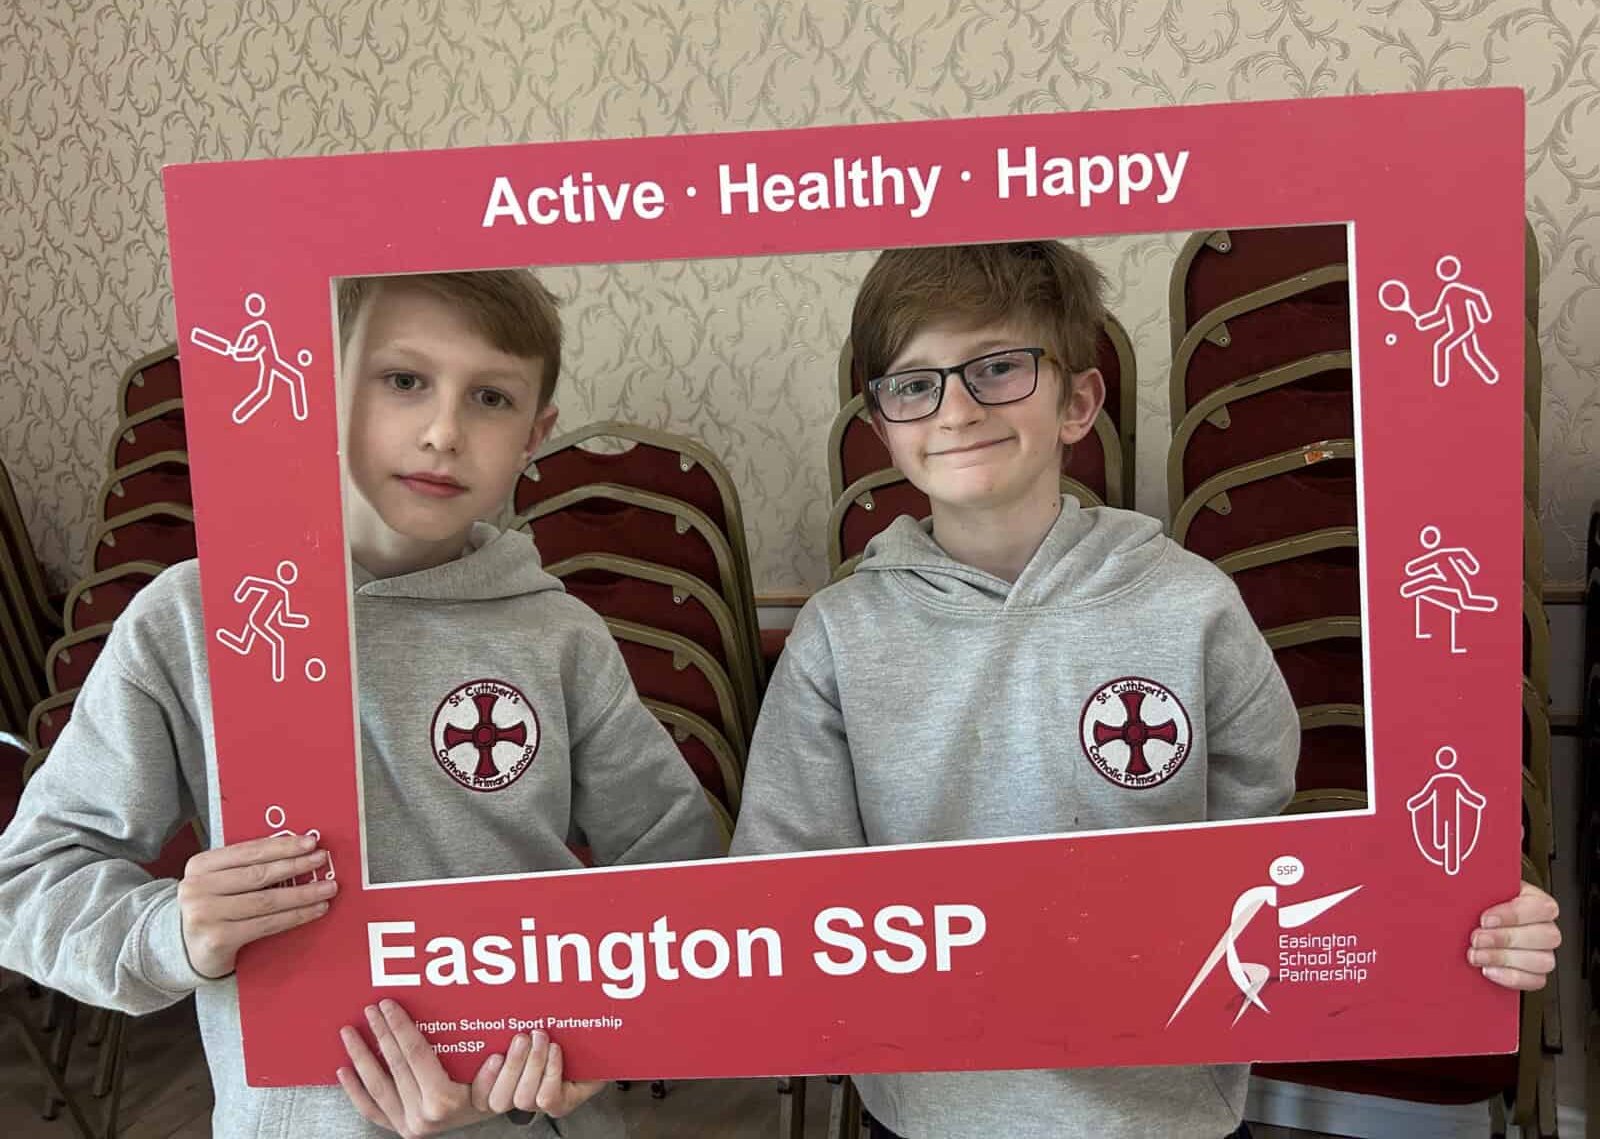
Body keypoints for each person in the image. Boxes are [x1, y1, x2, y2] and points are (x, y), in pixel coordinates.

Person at [729, 241, 1560, 1139]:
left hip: (1168, 1111)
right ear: (882, 425)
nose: (957, 409)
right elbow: (782, 891)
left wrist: (1462, 920)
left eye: (998, 367)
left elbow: (1272, 858)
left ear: (1078, 403)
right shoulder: (837, 635)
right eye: (914, 384)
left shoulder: (1192, 606)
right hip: (930, 1114)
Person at [0, 269, 723, 1137]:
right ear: (321, 390)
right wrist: (172, 932)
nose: (444, 431)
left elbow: (681, 873)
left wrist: (602, 1040)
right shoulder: (194, 619)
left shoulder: (561, 635)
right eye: (404, 379)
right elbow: (32, 880)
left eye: (490, 397)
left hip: (529, 1112)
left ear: (535, 434)